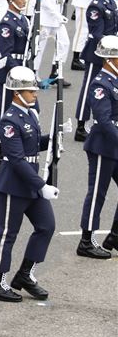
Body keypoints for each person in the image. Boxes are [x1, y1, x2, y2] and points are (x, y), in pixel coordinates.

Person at [0, 66, 63, 303]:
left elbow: (31, 146)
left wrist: (52, 138)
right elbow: (17, 159)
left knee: (46, 226)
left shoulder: (30, 114)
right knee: (8, 233)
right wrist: (42, 185)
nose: (35, 93)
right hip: (15, 184)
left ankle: (25, 274)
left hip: (31, 181)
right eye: (31, 91)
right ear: (17, 93)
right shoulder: (9, 120)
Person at [76, 35, 118, 259]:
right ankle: (86, 240)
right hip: (103, 145)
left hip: (115, 141)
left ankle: (115, 236)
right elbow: (104, 120)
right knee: (97, 194)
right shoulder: (101, 83)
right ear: (110, 60)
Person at [74, 0, 117, 142]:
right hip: (96, 53)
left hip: (112, 52)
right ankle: (81, 125)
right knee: (88, 89)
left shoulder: (111, 3)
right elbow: (97, 33)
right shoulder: (96, 6)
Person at [0, 0, 30, 165]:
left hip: (21, 68)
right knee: (5, 112)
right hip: (9, 73)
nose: (24, 1)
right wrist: (18, 71)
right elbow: (6, 53)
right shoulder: (6, 23)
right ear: (11, 1)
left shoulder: (23, 20)